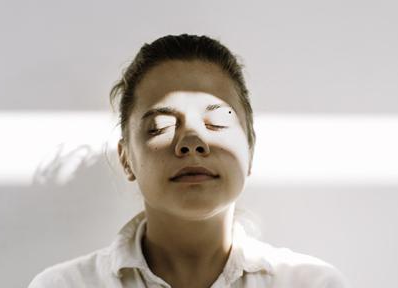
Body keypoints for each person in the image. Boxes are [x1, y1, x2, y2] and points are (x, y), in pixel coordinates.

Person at [29, 34, 347, 288]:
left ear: (251, 149)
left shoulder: (312, 282)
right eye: (161, 126)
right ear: (126, 159)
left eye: (218, 121)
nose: (192, 143)